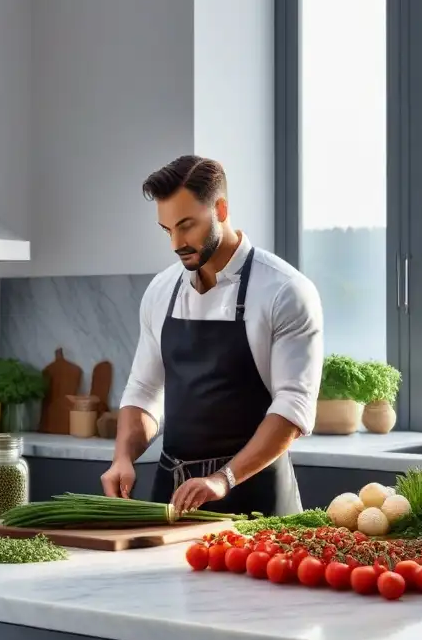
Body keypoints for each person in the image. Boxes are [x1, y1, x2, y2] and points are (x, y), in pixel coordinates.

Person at [101, 155, 323, 517]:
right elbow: (144, 390)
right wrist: (122, 457)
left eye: (187, 225)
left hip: (255, 502)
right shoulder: (162, 290)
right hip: (173, 498)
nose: (177, 242)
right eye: (167, 229)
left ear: (220, 209)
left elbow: (293, 407)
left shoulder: (285, 291)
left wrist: (224, 478)